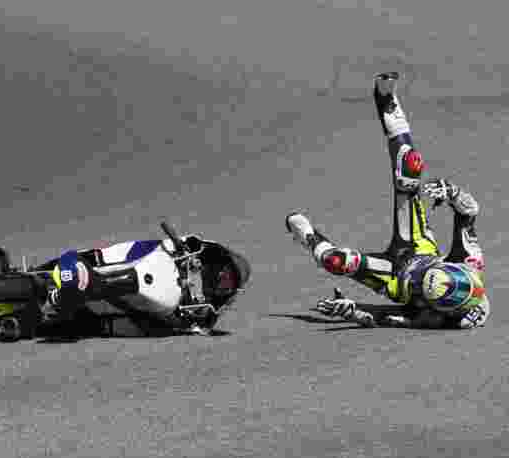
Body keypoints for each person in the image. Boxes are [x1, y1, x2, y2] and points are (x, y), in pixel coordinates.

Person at [285, 72, 488, 329]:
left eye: (424, 289)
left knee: (335, 262)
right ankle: (387, 100)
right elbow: (469, 213)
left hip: (392, 276)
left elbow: (383, 317)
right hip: (419, 246)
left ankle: (308, 237)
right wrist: (452, 192)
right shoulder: (471, 263)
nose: (421, 281)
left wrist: (351, 311)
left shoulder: (434, 318)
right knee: (410, 166)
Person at [36, 228, 249, 337]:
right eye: (225, 274)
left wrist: (196, 322)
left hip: (164, 302)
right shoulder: (201, 250)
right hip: (159, 265)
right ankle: (47, 270)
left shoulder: (212, 307)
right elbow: (186, 240)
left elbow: (205, 324)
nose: (223, 280)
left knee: (148, 329)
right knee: (113, 254)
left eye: (227, 284)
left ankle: (78, 323)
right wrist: (183, 246)